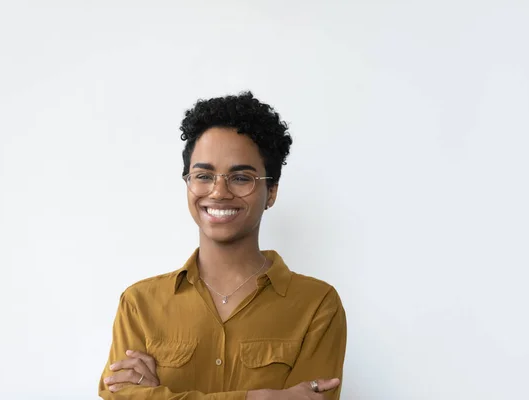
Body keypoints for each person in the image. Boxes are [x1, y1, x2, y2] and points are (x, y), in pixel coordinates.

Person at [98, 91, 347, 399]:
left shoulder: (317, 306)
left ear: (271, 192)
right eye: (203, 175)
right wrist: (259, 397)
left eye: (241, 178)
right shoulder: (139, 305)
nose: (218, 192)